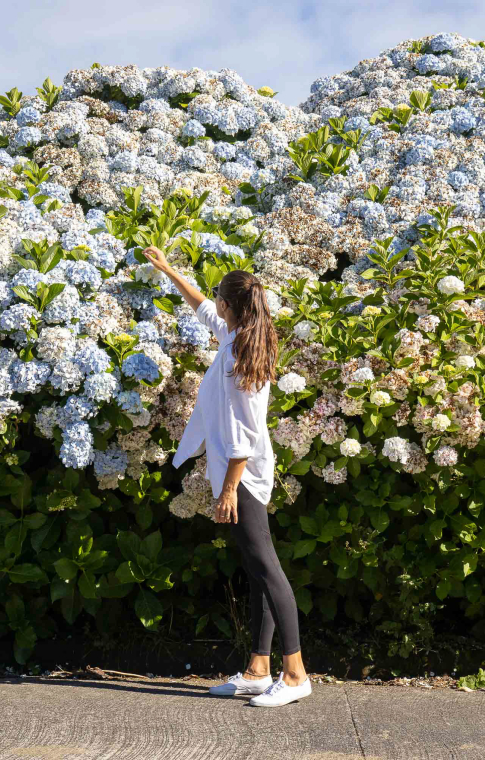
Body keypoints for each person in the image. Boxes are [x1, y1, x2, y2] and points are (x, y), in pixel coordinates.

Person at [141, 245, 311, 708]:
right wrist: (168, 269)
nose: (212, 302)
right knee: (258, 571)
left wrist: (230, 489)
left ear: (229, 305)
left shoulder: (240, 356)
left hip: (245, 476)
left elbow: (245, 435)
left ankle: (295, 673)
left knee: (268, 570)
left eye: (218, 296)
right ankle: (258, 670)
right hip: (239, 472)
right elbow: (201, 308)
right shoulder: (236, 336)